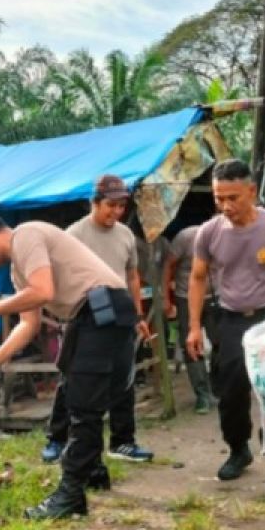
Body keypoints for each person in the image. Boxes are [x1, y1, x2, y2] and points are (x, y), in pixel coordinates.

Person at [0, 214, 137, 519]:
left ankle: (70, 495)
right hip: (86, 317)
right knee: (72, 396)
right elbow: (28, 325)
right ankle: (93, 471)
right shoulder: (19, 271)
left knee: (84, 406)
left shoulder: (26, 235)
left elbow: (44, 292)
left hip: (103, 309)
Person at [186, 159, 265, 502]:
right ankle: (238, 448)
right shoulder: (209, 232)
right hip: (230, 320)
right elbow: (197, 278)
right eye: (219, 198)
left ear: (252, 192)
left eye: (233, 197)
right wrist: (194, 327)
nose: (226, 206)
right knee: (230, 393)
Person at [37, 175, 153, 465]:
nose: (116, 212)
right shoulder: (72, 235)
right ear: (94, 203)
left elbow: (132, 277)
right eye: (110, 205)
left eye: (121, 206)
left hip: (121, 314)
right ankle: (57, 438)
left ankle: (123, 441)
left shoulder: (126, 235)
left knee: (123, 378)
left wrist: (137, 314)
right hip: (84, 316)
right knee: (72, 379)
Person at [163, 224, 217, 413]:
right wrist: (165, 298)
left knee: (222, 342)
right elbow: (168, 265)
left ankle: (216, 388)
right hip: (186, 296)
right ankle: (202, 394)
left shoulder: (230, 237)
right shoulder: (187, 237)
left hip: (216, 296)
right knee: (191, 345)